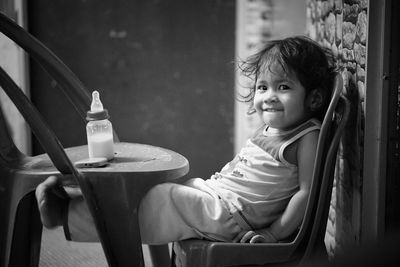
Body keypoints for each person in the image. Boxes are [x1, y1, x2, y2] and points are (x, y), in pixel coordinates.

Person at [35, 35, 337, 245]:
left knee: (162, 200)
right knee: (152, 192)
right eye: (262, 87)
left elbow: (306, 193)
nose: (268, 97)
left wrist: (273, 233)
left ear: (314, 98)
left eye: (283, 87)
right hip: (217, 199)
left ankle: (67, 214)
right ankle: (80, 200)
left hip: (233, 221)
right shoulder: (270, 130)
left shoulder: (304, 137)